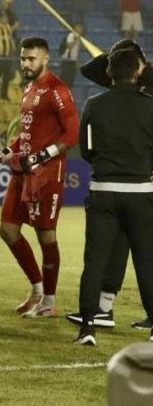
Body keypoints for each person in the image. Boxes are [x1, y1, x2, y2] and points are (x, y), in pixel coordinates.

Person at [0, 37, 79, 320]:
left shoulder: (57, 90)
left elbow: (72, 134)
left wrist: (42, 157)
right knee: (8, 229)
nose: (26, 63)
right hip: (23, 172)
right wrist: (7, 150)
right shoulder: (29, 88)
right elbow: (26, 135)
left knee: (46, 235)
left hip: (48, 175)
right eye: (23, 58)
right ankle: (37, 289)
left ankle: (49, 301)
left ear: (45, 58)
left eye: (31, 58)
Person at [74, 47, 153, 346]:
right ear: (138, 72)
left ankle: (88, 328)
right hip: (141, 192)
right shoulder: (150, 106)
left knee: (94, 262)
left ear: (108, 73)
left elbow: (86, 149)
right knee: (146, 262)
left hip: (103, 191)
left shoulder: (94, 104)